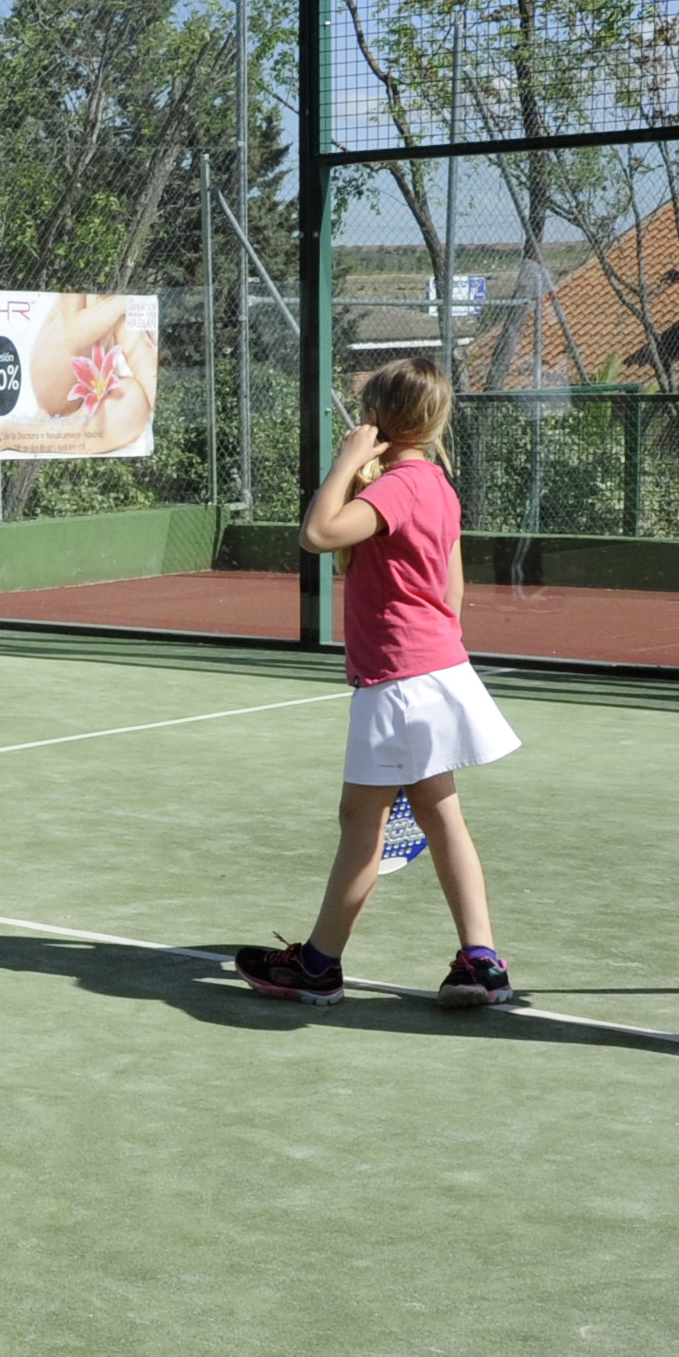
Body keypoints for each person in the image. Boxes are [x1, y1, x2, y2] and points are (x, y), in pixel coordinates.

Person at [234, 356, 520, 1010]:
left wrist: (345, 463)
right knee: (442, 815)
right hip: (441, 669)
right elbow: (453, 590)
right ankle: (481, 961)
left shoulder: (393, 488)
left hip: (397, 679)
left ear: (376, 420)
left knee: (360, 820)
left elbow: (316, 533)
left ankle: (317, 966)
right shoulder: (439, 486)